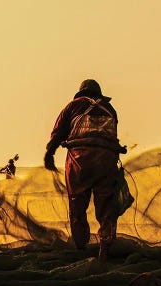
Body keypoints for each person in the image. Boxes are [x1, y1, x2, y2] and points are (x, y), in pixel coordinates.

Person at [44, 79, 126, 261]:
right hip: (106, 159)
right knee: (106, 204)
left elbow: (58, 133)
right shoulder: (110, 109)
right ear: (99, 93)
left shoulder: (73, 106)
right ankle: (105, 244)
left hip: (79, 160)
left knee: (77, 203)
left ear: (81, 92)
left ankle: (81, 247)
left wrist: (49, 154)